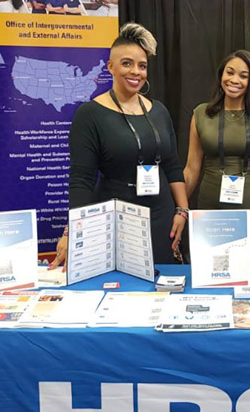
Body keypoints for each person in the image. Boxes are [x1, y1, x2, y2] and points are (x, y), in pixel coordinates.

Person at [50, 23, 188, 268]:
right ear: (110, 67)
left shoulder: (159, 111)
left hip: (161, 213)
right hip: (116, 215)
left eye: (142, 65)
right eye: (127, 63)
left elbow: (172, 165)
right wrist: (71, 232)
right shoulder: (90, 114)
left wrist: (182, 211)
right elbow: (81, 179)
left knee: (163, 287)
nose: (136, 72)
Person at [184, 50, 250, 262]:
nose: (234, 80)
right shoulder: (201, 114)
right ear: (221, 76)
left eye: (243, 76)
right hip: (210, 200)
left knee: (248, 268)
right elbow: (191, 168)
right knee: (210, 267)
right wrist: (179, 207)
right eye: (230, 72)